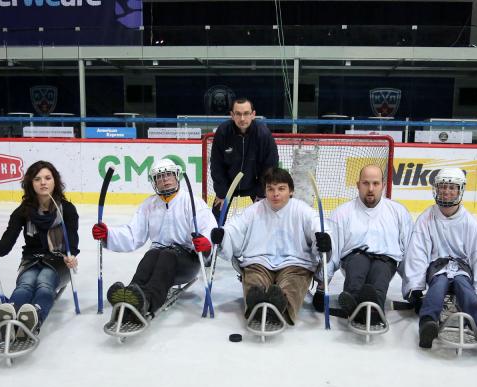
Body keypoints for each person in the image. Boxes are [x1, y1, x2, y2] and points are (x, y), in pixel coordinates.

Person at [92, 158, 216, 321]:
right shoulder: (149, 205)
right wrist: (108, 234)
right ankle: (129, 296)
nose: (164, 179)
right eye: (159, 177)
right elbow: (133, 234)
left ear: (176, 176)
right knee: (151, 255)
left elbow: (208, 228)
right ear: (154, 182)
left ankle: (147, 301)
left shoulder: (192, 202)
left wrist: (206, 243)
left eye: (168, 175)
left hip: (188, 260)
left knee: (166, 256)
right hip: (159, 255)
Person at [210, 167, 332, 326]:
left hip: (295, 264)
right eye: (270, 189)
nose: (276, 194)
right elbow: (234, 228)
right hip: (259, 262)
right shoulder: (254, 211)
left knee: (292, 285)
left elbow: (319, 228)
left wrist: (324, 241)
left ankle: (282, 308)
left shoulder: (303, 210)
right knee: (255, 283)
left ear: (291, 191)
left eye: (281, 188)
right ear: (265, 191)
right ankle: (257, 307)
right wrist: (223, 235)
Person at [404, 168, 477, 356]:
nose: (447, 192)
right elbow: (418, 253)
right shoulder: (426, 219)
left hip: (461, 270)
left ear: (460, 191)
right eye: (442, 187)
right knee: (437, 288)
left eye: (452, 188)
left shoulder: (469, 223)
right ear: (436, 189)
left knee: (466, 289)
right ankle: (428, 324)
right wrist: (415, 286)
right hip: (437, 269)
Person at [0, 161, 79, 337]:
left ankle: (35, 316)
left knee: (43, 282)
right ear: (31, 183)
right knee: (25, 284)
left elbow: (72, 239)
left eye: (47, 178)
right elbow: (9, 237)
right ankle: (9, 315)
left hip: (59, 261)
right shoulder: (23, 211)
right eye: (37, 179)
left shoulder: (67, 209)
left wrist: (70, 255)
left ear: (55, 181)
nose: (43, 182)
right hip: (32, 259)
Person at [318, 164, 413, 326]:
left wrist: (413, 288)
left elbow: (409, 251)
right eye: (365, 183)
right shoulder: (342, 213)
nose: (370, 188)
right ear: (357, 185)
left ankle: (373, 309)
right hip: (353, 258)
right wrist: (322, 285)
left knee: (380, 275)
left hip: (385, 260)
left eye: (375, 183)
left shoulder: (398, 212)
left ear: (383, 185)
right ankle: (355, 301)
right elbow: (333, 252)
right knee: (358, 267)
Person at [209, 98, 279, 217]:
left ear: (253, 114)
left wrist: (261, 193)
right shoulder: (223, 132)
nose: (242, 118)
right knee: (216, 214)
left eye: (246, 113)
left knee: (266, 217)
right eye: (238, 114)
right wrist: (221, 193)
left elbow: (270, 166)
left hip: (255, 184)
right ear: (232, 115)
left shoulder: (263, 134)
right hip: (228, 185)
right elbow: (217, 165)